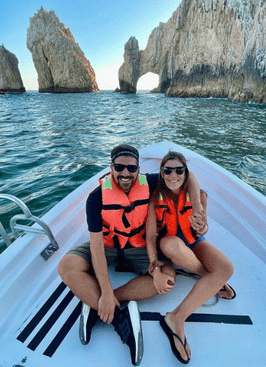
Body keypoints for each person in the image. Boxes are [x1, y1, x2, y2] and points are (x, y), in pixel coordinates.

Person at [58, 144, 203, 366]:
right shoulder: (96, 198)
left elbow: (189, 177)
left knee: (167, 277)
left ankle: (97, 303)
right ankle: (120, 320)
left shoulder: (150, 182)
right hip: (107, 246)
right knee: (67, 266)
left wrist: (197, 208)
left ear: (138, 169)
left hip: (137, 247)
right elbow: (96, 247)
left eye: (131, 168)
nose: (125, 173)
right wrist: (103, 290)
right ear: (111, 167)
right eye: (119, 167)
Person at [146, 151, 234, 363]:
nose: (173, 175)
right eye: (168, 170)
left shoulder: (198, 195)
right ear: (162, 172)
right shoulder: (154, 196)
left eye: (179, 170)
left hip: (193, 243)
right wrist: (154, 266)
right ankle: (208, 277)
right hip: (169, 244)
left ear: (186, 173)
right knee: (174, 246)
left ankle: (176, 316)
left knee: (226, 269)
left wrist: (203, 225)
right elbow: (150, 236)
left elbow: (203, 229)